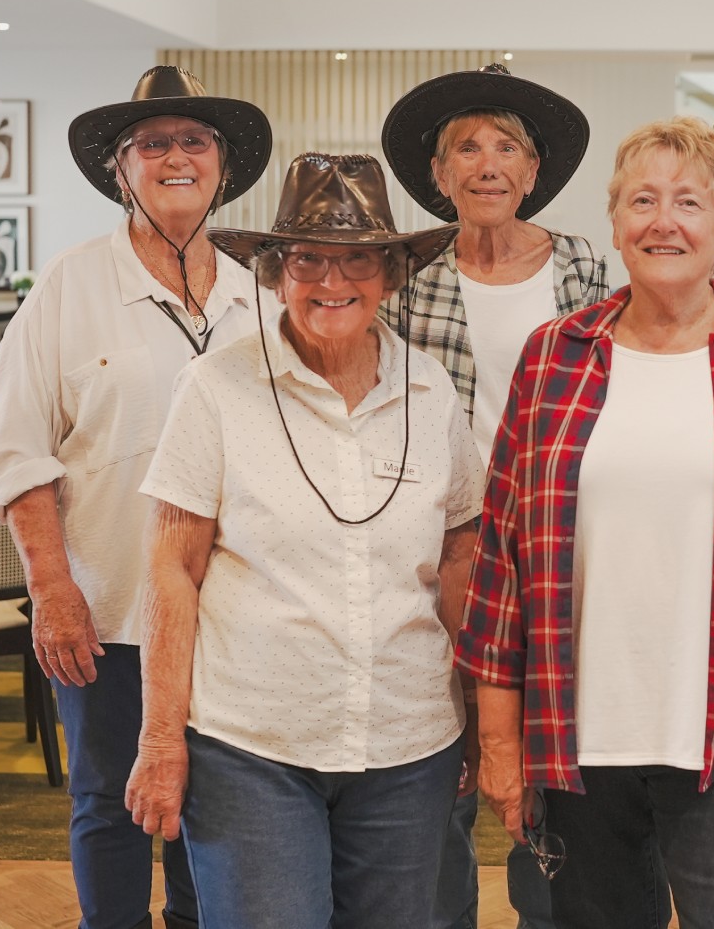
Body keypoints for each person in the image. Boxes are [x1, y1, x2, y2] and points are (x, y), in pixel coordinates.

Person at [457, 117, 714, 929]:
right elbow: (502, 564)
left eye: (689, 202)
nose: (664, 221)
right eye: (643, 200)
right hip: (578, 744)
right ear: (615, 224)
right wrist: (501, 739)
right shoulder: (555, 356)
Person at [124, 153, 478, 928]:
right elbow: (171, 570)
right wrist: (160, 739)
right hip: (252, 743)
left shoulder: (431, 389)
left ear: (390, 274)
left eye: (356, 257)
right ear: (277, 272)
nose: (331, 279)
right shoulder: (217, 388)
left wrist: (483, 717)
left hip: (409, 740)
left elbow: (460, 557)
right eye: (308, 258)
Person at [0, 65, 272, 929]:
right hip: (105, 607)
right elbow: (16, 454)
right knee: (109, 798)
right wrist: (52, 588)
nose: (176, 157)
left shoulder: (262, 289)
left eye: (194, 141)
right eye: (154, 144)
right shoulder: (68, 287)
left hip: (237, 611)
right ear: (120, 167)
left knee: (213, 796)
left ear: (222, 165)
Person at [380, 62, 606, 929]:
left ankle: (548, 911)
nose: (486, 164)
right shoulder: (412, 273)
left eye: (504, 146)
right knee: (441, 752)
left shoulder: (583, 265)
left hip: (558, 545)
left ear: (533, 169)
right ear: (438, 176)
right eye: (465, 148)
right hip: (440, 547)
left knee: (545, 758)